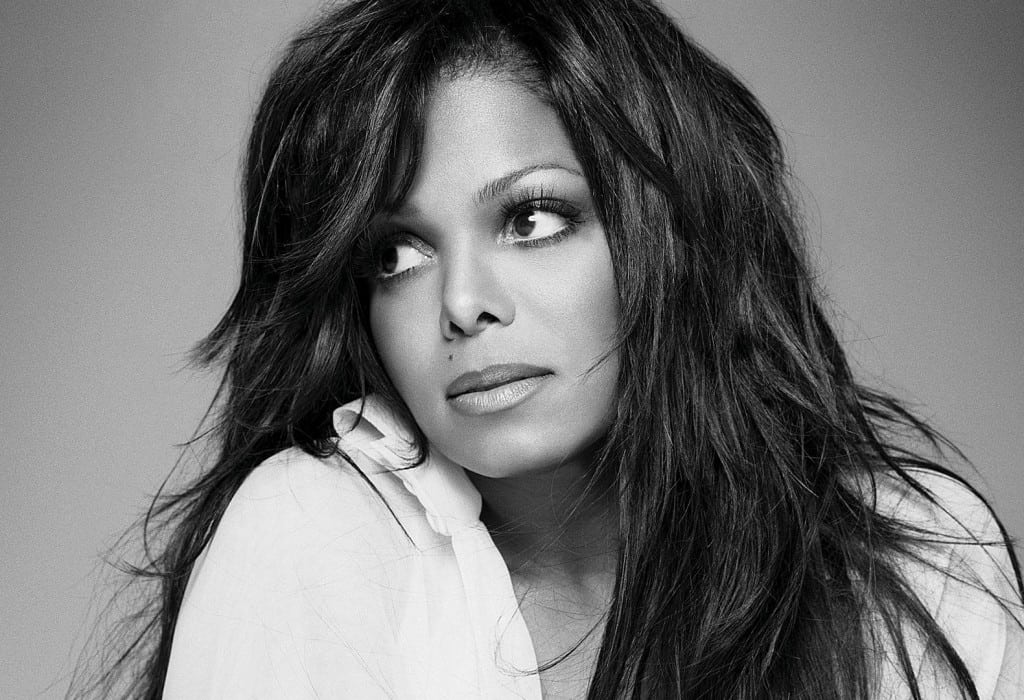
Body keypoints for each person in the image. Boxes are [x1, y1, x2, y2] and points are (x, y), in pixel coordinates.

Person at [74, 0, 1023, 697]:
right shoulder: (310, 543)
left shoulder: (917, 568)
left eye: (531, 218)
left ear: (669, 232)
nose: (462, 304)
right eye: (396, 254)